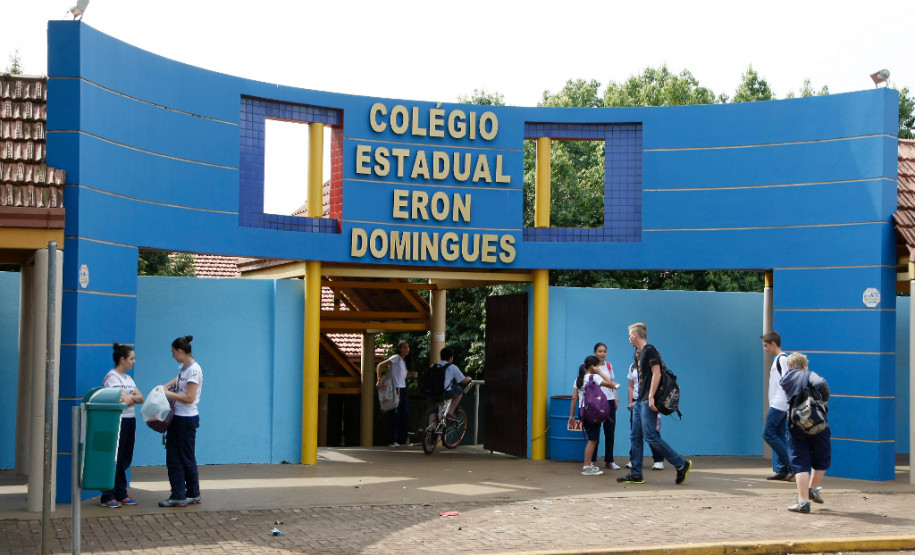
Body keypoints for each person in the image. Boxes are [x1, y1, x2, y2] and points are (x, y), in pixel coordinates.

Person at [618, 322, 692, 485]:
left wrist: (651, 397)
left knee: (650, 435)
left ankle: (681, 463)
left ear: (636, 335)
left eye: (629, 335)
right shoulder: (640, 354)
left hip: (646, 401)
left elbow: (657, 373)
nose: (629, 339)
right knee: (635, 436)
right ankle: (636, 474)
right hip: (640, 402)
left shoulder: (650, 350)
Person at [780, 352, 831, 513]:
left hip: (796, 425)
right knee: (822, 457)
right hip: (816, 423)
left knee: (800, 462)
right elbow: (821, 383)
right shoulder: (808, 374)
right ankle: (812, 488)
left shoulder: (785, 380)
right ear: (804, 365)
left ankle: (803, 502)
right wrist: (824, 400)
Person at [159, 335, 203, 508]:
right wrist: (163, 387)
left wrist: (168, 394)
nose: (172, 356)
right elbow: (176, 381)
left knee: (181, 457)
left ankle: (184, 494)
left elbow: (190, 397)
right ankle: (188, 493)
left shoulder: (194, 370)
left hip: (186, 419)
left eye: (173, 353)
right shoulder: (183, 369)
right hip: (178, 417)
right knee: (178, 456)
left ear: (180, 351)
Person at [99, 343, 144, 508]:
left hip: (130, 420)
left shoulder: (128, 379)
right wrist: (132, 398)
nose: (134, 362)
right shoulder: (112, 377)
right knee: (114, 458)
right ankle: (107, 495)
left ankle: (121, 493)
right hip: (117, 421)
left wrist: (130, 398)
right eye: (132, 359)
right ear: (122, 359)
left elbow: (140, 398)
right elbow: (125, 400)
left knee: (125, 458)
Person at [569, 355, 620, 476]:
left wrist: (571, 415)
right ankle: (586, 466)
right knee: (592, 440)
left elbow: (574, 397)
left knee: (592, 437)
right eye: (597, 367)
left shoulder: (579, 379)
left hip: (582, 410)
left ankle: (589, 464)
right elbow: (612, 384)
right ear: (593, 367)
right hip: (592, 411)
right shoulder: (594, 377)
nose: (599, 368)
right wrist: (599, 373)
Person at [625, 347, 665, 471]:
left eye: (640, 353)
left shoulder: (651, 366)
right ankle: (634, 459)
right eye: (637, 353)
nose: (638, 355)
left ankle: (659, 460)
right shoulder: (633, 367)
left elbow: (658, 380)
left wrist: (652, 398)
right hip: (637, 402)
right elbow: (631, 386)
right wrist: (630, 401)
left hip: (648, 401)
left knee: (652, 431)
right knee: (635, 432)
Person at [761, 331, 794, 481]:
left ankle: (792, 464)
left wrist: (783, 403)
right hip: (779, 403)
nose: (765, 348)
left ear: (774, 344)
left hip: (780, 404)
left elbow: (788, 381)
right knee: (779, 434)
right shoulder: (778, 360)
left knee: (768, 433)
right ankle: (783, 470)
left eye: (766, 345)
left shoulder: (782, 359)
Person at [376, 340, 417, 447]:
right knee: (395, 414)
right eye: (404, 347)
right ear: (399, 348)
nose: (407, 349)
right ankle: (391, 440)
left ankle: (402, 440)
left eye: (408, 347)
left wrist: (411, 375)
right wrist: (379, 379)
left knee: (405, 415)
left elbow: (401, 377)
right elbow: (380, 365)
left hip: (403, 389)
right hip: (396, 389)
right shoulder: (396, 358)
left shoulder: (404, 361)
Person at [592, 342, 620, 469]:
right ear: (595, 353)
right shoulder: (591, 366)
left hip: (609, 401)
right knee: (595, 432)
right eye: (599, 351)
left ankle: (609, 460)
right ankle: (591, 460)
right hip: (596, 403)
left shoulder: (608, 366)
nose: (602, 353)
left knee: (610, 431)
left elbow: (611, 382)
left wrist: (615, 396)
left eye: (604, 351)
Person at [436, 346, 471, 417]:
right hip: (443, 392)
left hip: (431, 391)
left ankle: (431, 428)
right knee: (459, 391)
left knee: (433, 411)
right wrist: (469, 378)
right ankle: (450, 412)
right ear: (451, 357)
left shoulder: (434, 365)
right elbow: (464, 381)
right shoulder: (452, 367)